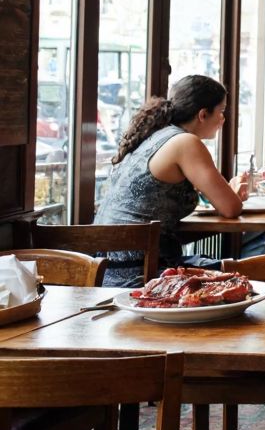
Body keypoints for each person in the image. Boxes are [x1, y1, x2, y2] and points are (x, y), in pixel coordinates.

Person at [95, 75, 249, 287]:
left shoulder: (156, 135)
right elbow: (231, 208)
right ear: (203, 114)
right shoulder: (185, 142)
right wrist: (232, 194)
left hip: (103, 271)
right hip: (138, 275)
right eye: (221, 111)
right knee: (243, 276)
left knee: (220, 268)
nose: (223, 119)